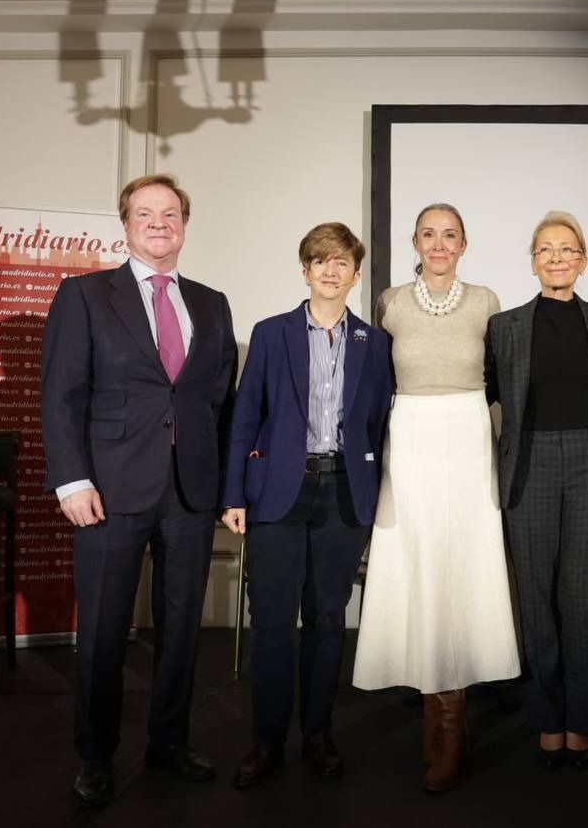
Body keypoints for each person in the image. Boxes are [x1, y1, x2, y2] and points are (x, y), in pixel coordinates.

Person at [41, 173, 238, 806]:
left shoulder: (212, 302)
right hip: (108, 489)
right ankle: (96, 755)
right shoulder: (85, 296)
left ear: (185, 223)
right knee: (103, 628)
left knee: (182, 628)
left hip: (189, 491)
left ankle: (168, 741)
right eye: (146, 213)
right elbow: (62, 394)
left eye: (171, 212)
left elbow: (217, 401)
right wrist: (71, 479)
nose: (160, 223)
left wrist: (227, 485)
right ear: (125, 224)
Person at [352, 202, 520, 793]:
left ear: (465, 243)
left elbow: (498, 375)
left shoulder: (486, 302)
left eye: (450, 234)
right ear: (415, 241)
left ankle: (452, 728)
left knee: (461, 570)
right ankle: (439, 721)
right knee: (419, 568)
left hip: (468, 435)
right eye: (430, 234)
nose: (440, 243)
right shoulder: (391, 302)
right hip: (413, 440)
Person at [220, 223, 393, 789]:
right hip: (276, 494)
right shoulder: (271, 334)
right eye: (319, 260)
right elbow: (245, 415)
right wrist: (233, 494)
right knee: (272, 623)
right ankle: (266, 740)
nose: (329, 270)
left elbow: (379, 424)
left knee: (325, 622)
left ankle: (317, 733)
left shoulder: (376, 342)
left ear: (355, 274)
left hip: (343, 494)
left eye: (341, 261)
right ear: (305, 269)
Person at [484, 211, 588, 769]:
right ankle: (547, 719)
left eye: (567, 249)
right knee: (539, 606)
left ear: (583, 259)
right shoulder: (507, 327)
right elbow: (483, 397)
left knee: (582, 603)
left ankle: (580, 720)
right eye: (545, 250)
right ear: (533, 261)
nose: (557, 258)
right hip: (529, 467)